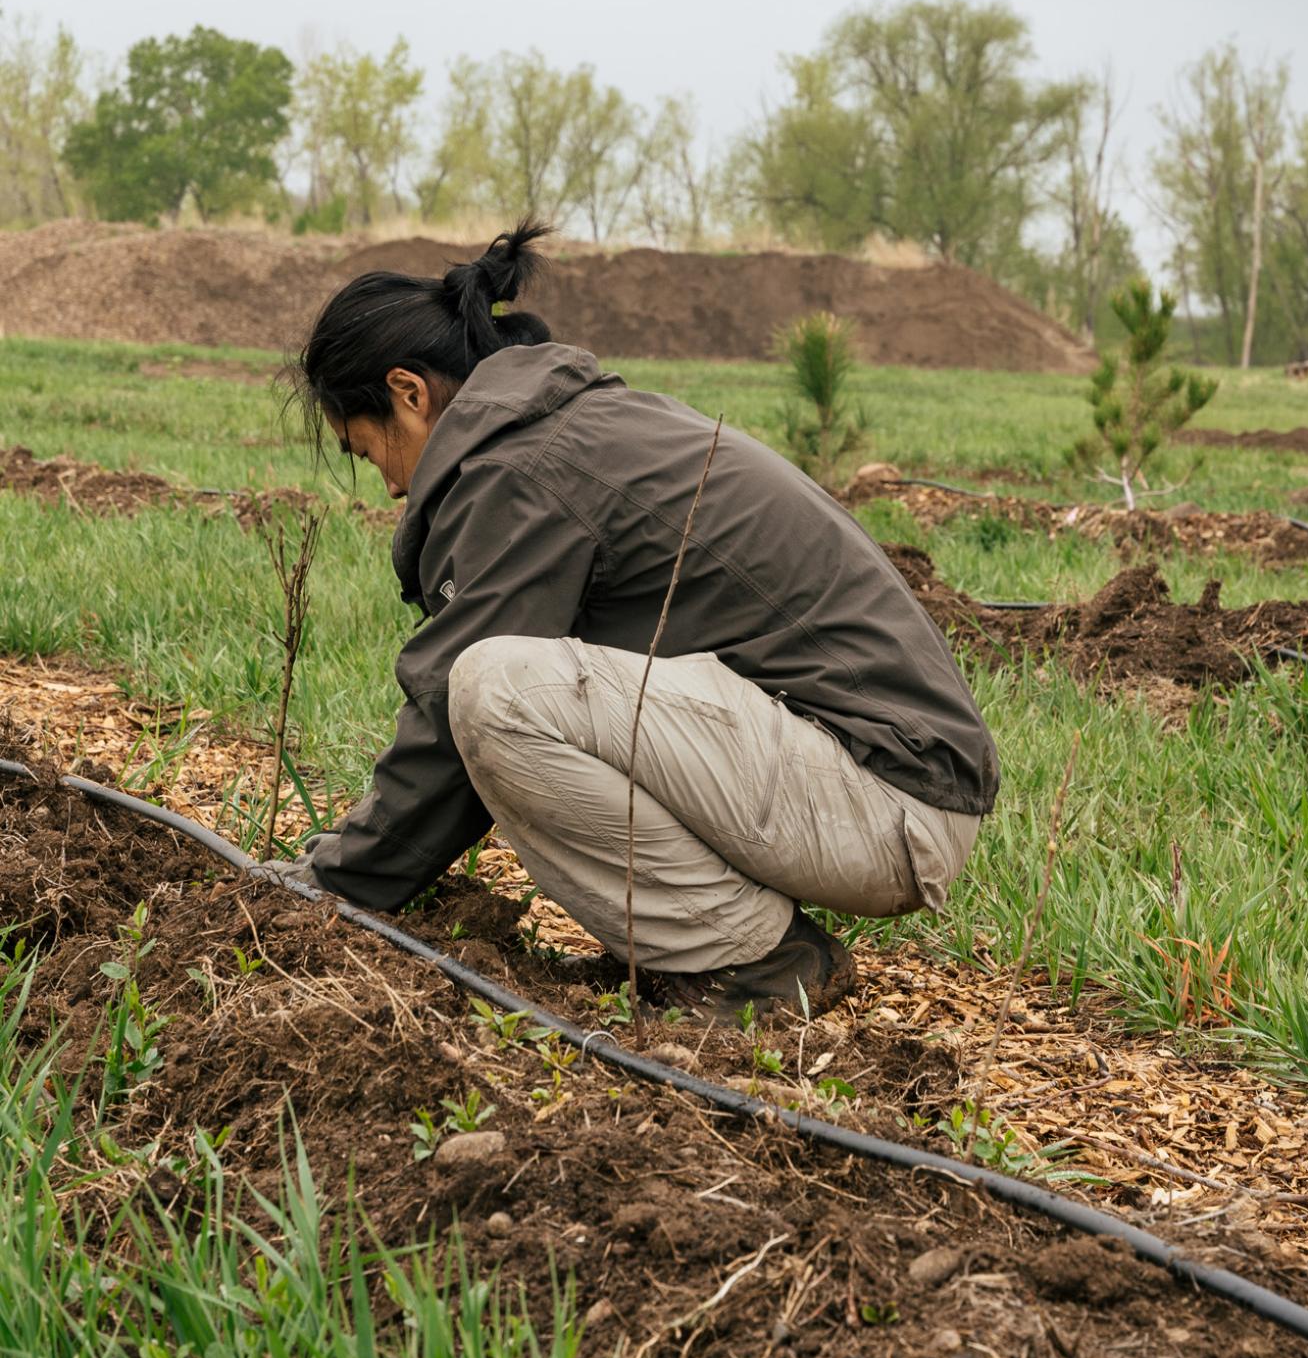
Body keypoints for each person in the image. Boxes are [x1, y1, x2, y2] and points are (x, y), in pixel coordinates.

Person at [276, 221, 998, 1020]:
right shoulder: (559, 431)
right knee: (511, 687)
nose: (383, 486)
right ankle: (691, 950)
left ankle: (760, 962)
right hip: (876, 782)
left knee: (491, 691)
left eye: (363, 448)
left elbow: (451, 729)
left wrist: (327, 888)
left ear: (409, 394)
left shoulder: (523, 469)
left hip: (884, 800)